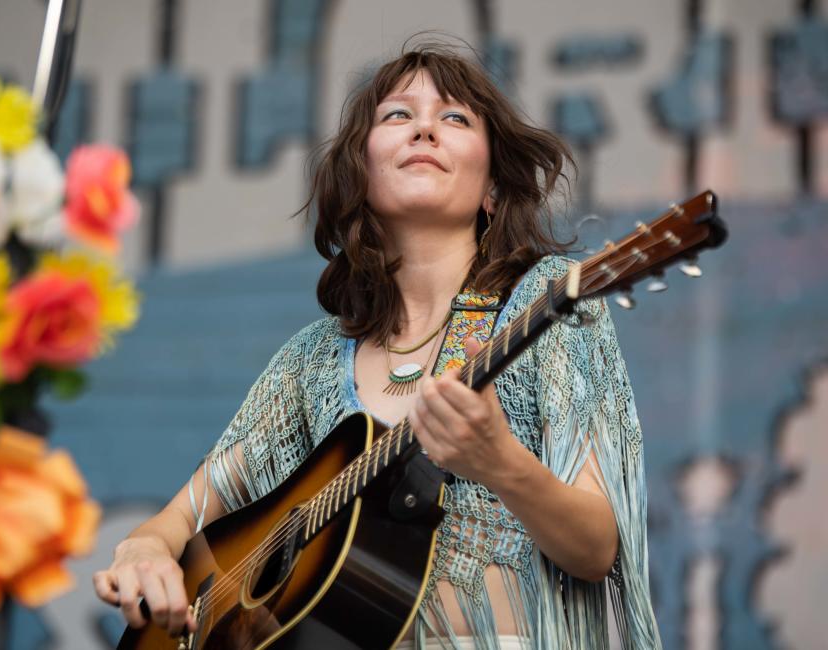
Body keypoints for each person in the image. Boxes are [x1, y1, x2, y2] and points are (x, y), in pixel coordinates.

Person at [94, 43, 661, 650]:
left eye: (455, 118)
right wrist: (145, 548)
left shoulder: (546, 308)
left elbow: (597, 549)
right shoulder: (309, 360)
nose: (424, 127)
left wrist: (502, 464)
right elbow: (182, 518)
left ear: (493, 190)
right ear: (361, 176)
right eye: (397, 116)